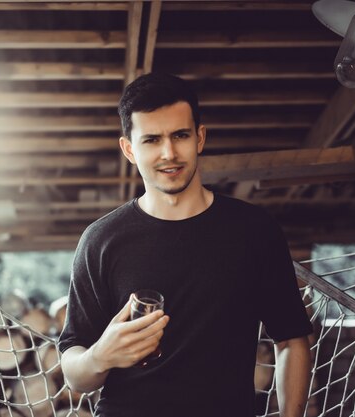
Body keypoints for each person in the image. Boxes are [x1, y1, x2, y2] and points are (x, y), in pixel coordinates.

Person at [57, 73, 313, 417]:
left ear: (200, 137)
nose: (169, 153)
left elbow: (291, 339)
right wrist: (100, 355)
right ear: (129, 149)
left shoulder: (255, 231)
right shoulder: (101, 240)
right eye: (151, 140)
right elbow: (75, 373)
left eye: (180, 135)